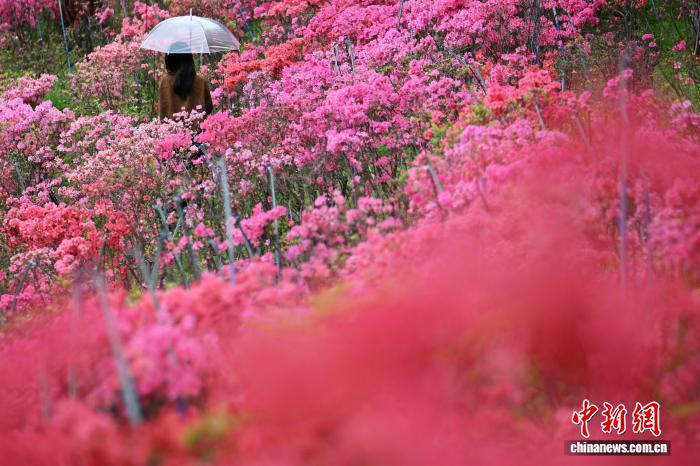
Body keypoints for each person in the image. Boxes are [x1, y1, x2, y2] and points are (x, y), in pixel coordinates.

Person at [159, 44, 213, 120]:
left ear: (169, 59)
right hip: (197, 126)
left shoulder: (164, 82)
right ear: (189, 59)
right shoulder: (201, 81)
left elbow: (163, 110)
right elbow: (208, 108)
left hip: (170, 127)